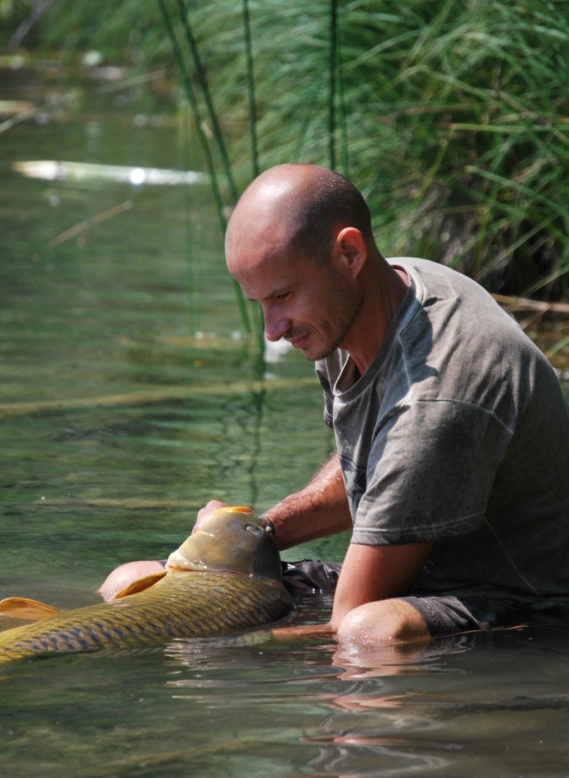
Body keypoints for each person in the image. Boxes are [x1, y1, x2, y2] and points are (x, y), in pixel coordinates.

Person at [100, 163, 569, 649]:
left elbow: (346, 621)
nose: (273, 330)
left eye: (282, 296)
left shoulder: (439, 394)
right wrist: (241, 538)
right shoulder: (362, 300)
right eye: (260, 303)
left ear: (349, 252)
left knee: (367, 635)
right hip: (414, 580)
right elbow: (368, 473)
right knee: (131, 581)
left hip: (523, 603)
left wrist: (220, 652)